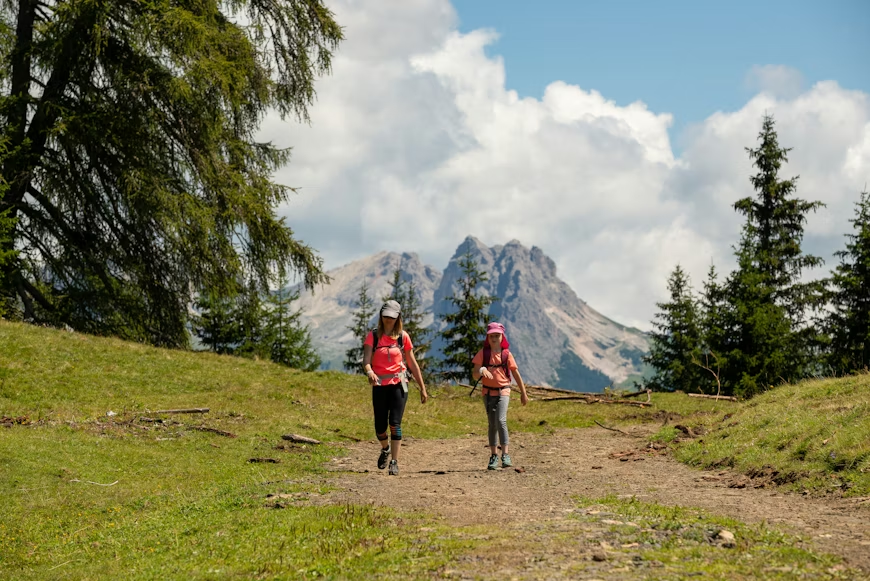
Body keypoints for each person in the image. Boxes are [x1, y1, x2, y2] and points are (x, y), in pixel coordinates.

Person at [362, 299, 428, 475]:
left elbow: (412, 364)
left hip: (399, 384)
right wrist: (369, 372)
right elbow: (366, 360)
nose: (388, 320)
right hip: (379, 384)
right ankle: (385, 449)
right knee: (380, 427)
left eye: (391, 317)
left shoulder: (403, 337)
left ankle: (394, 461)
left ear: (398, 317)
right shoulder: (373, 336)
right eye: (385, 317)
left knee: (395, 423)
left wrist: (422, 387)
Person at [471, 322, 528, 470]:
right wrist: (481, 370)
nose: (494, 338)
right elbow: (474, 374)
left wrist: (523, 393)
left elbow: (515, 373)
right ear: (488, 337)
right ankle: (494, 455)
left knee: (501, 420)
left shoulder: (506, 354)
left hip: (504, 391)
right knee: (492, 424)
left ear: (502, 337)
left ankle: (506, 454)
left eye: (497, 335)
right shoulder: (483, 353)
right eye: (492, 335)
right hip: (487, 392)